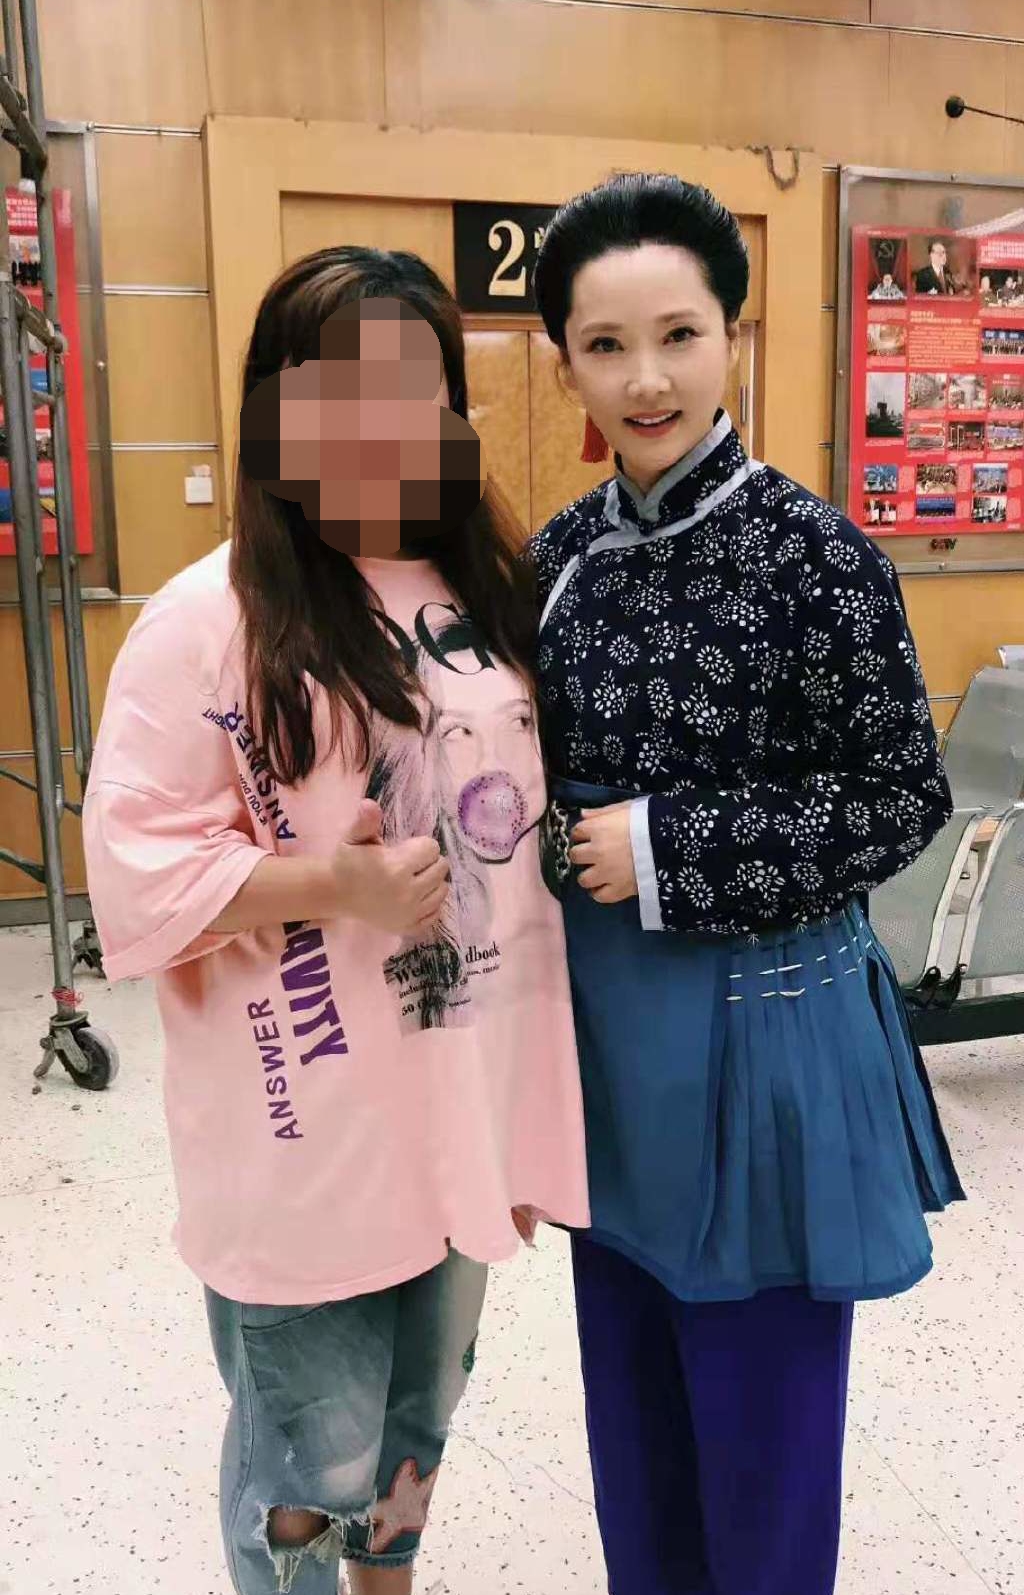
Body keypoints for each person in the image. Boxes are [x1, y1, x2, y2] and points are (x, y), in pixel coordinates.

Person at [82, 246, 589, 1595]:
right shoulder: (208, 619)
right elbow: (132, 864)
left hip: (460, 1109)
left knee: (418, 1436)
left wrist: (528, 1119)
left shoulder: (483, 589)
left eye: (414, 386)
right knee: (312, 1474)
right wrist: (332, 886)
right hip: (302, 1131)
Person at [529, 173, 964, 1595]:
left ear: (733, 334)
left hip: (771, 1034)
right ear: (567, 361)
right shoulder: (556, 562)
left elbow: (902, 793)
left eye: (679, 334)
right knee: (634, 1421)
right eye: (605, 345)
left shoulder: (817, 555)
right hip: (606, 1051)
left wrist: (668, 848)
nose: (645, 379)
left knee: (762, 1429)